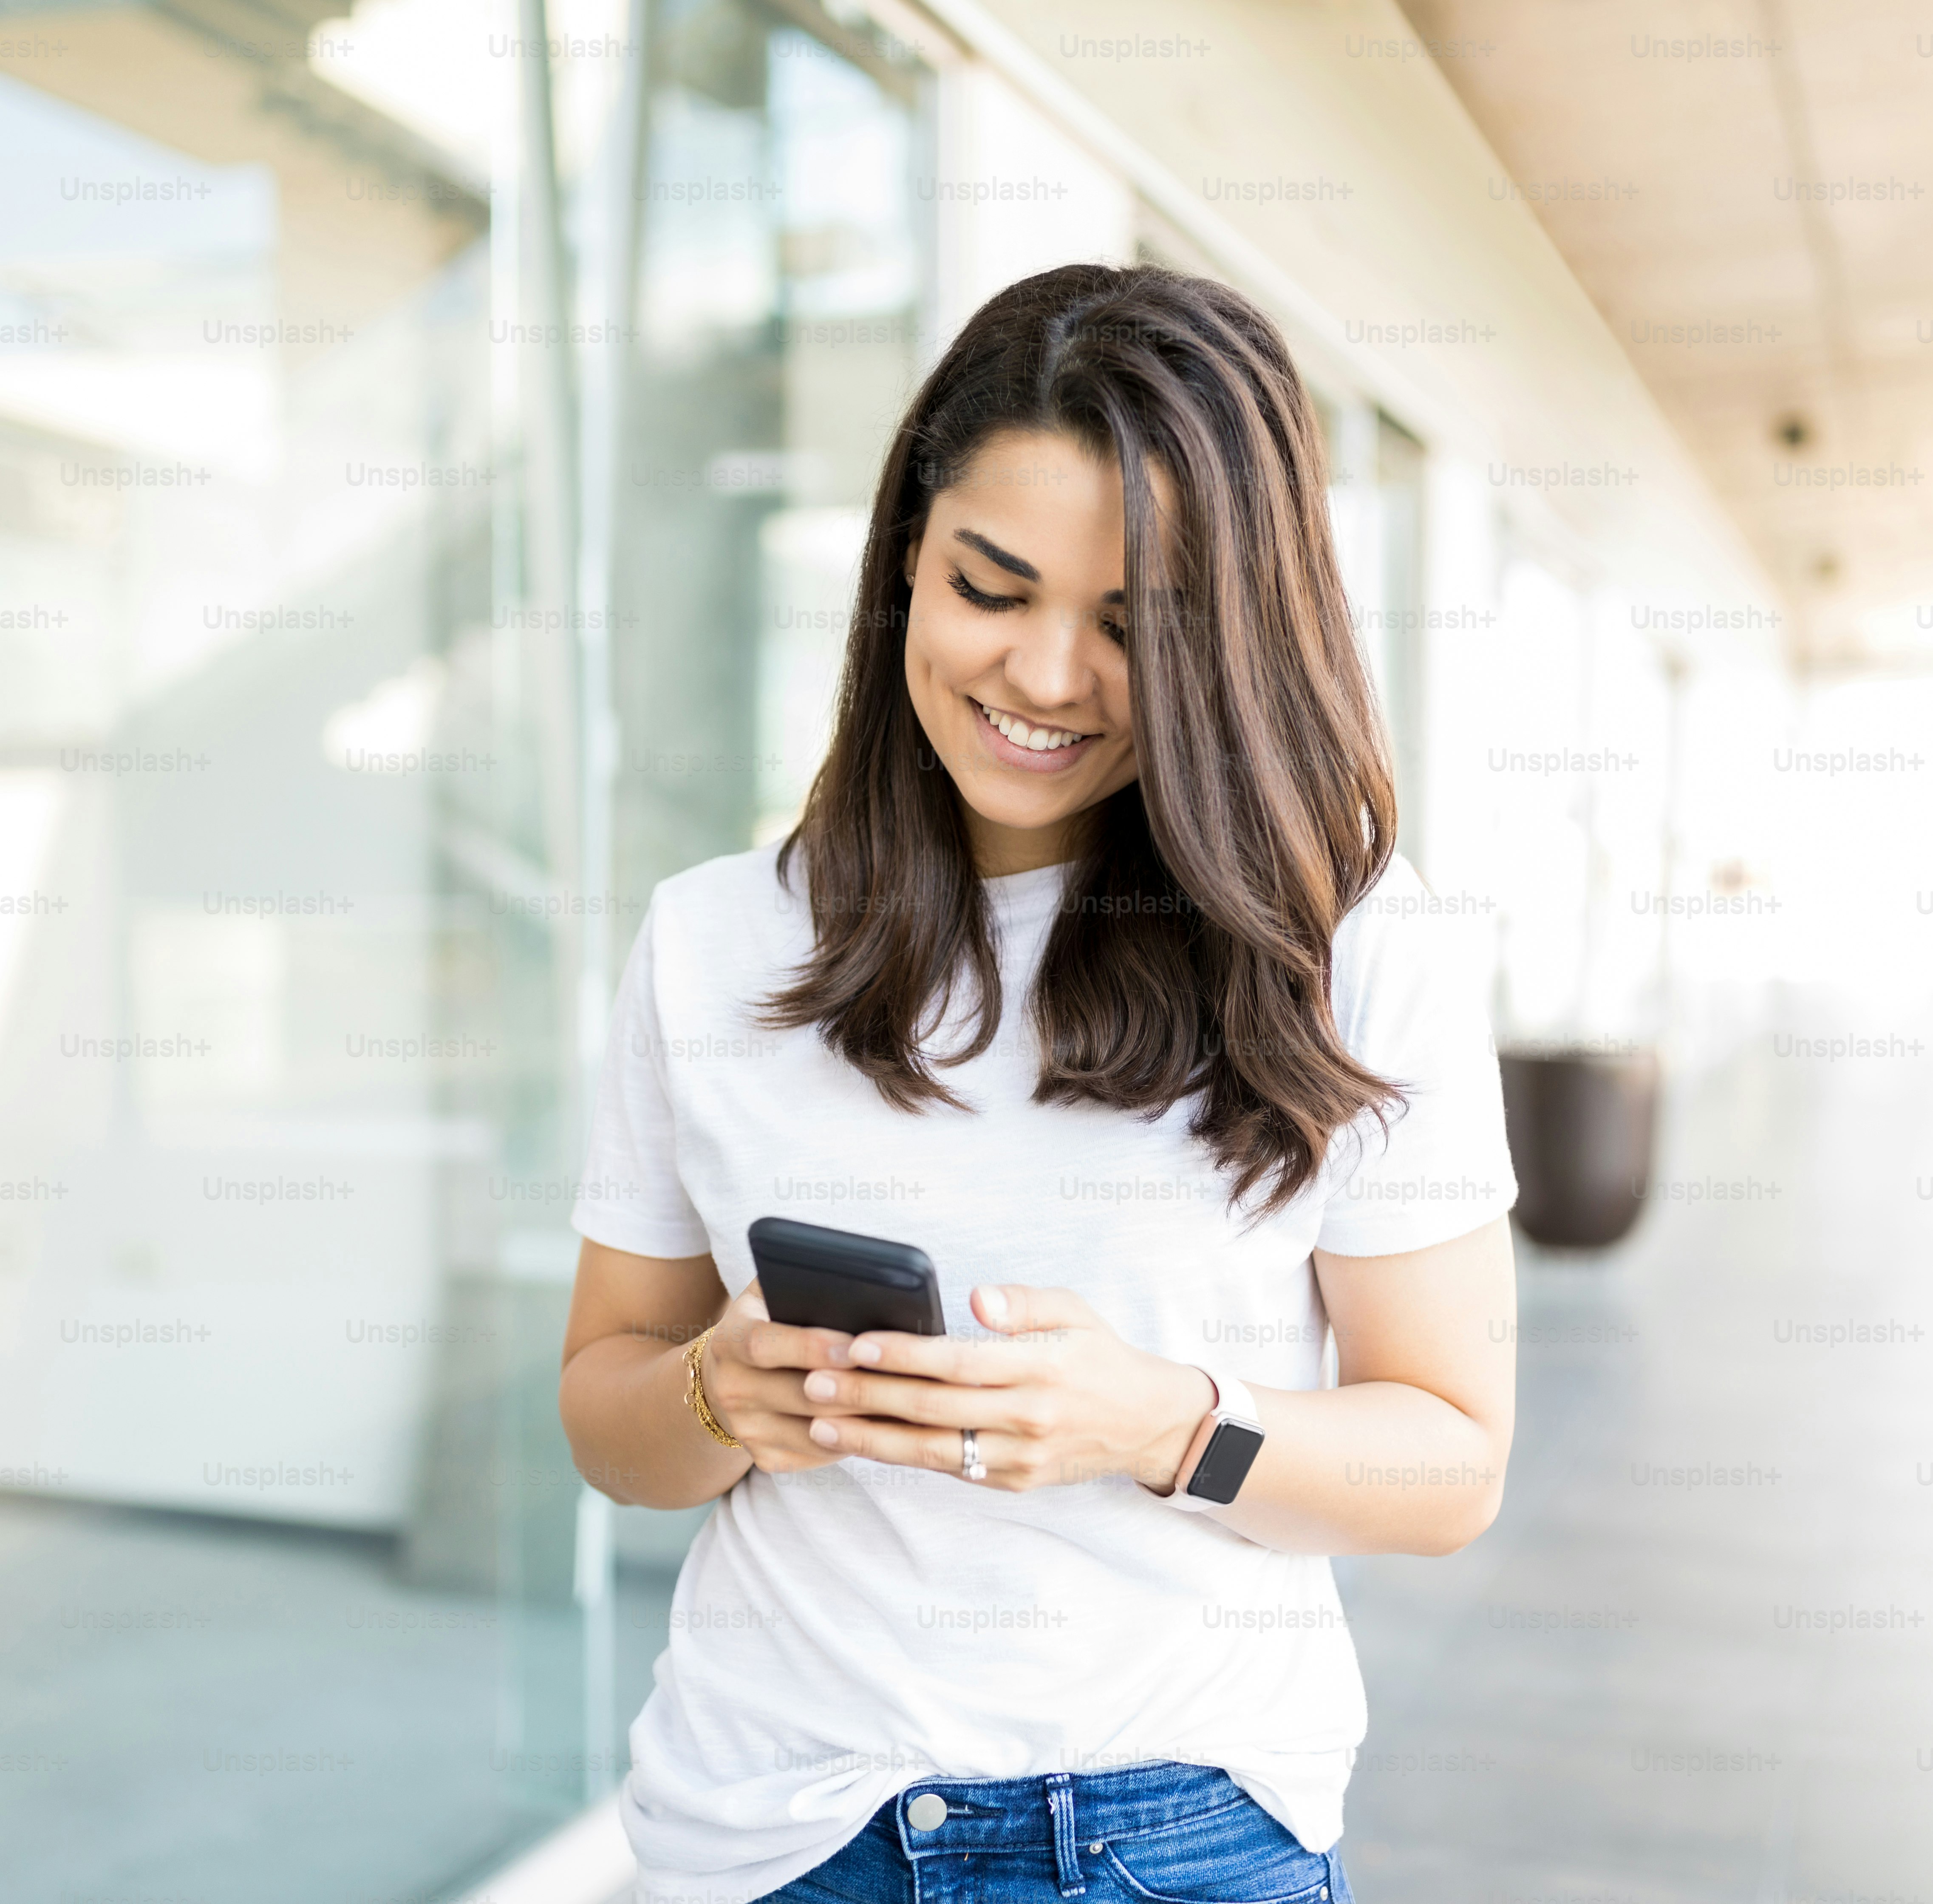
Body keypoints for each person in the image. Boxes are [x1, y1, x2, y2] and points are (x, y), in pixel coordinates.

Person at [560, 262, 1519, 1904]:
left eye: (1138, 626)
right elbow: (609, 1415)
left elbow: (1449, 1468)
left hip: (1182, 1838)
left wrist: (1162, 1426)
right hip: (773, 1835)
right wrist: (726, 1393)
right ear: (902, 570)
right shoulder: (714, 942)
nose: (1045, 678)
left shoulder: (1350, 945)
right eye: (988, 588)